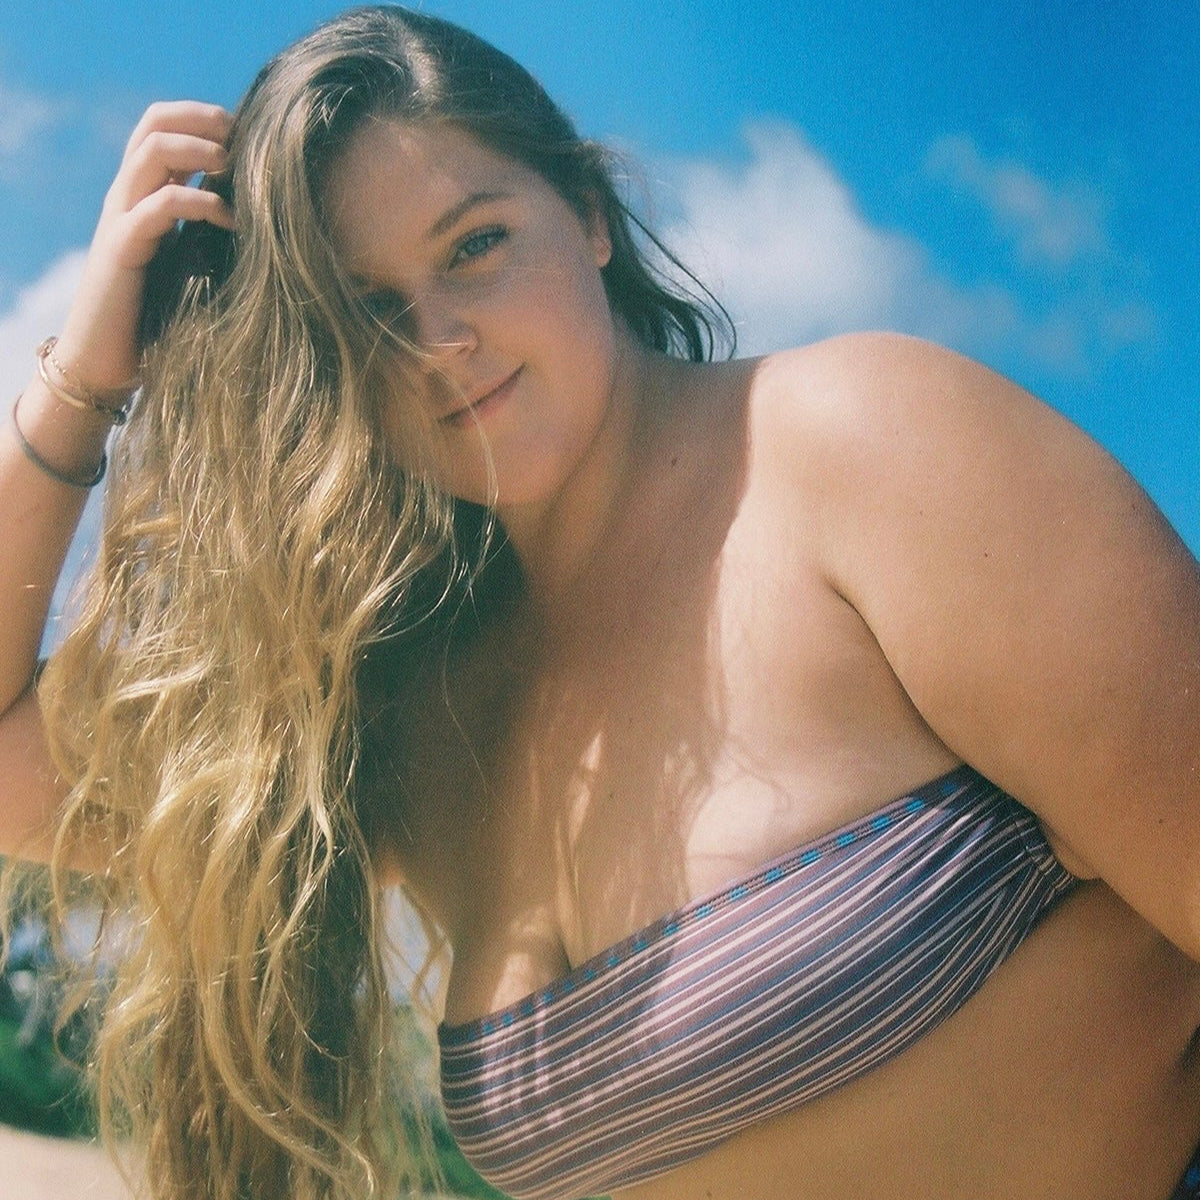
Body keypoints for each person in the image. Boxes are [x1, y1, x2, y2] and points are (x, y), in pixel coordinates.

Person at [1, 6, 1198, 1199]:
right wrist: (80, 382)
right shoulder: (422, 707)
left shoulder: (863, 452)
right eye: (365, 311)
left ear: (589, 213)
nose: (437, 339)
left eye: (474, 244)